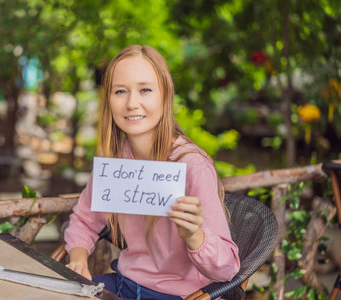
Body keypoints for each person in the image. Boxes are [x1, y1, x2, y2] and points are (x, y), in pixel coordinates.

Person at [64, 45, 240, 299]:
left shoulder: (192, 165)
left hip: (179, 295)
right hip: (124, 284)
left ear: (165, 96)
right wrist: (79, 258)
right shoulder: (115, 160)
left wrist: (194, 235)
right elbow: (84, 219)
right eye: (120, 91)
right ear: (109, 99)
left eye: (145, 90)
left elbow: (227, 268)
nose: (132, 103)